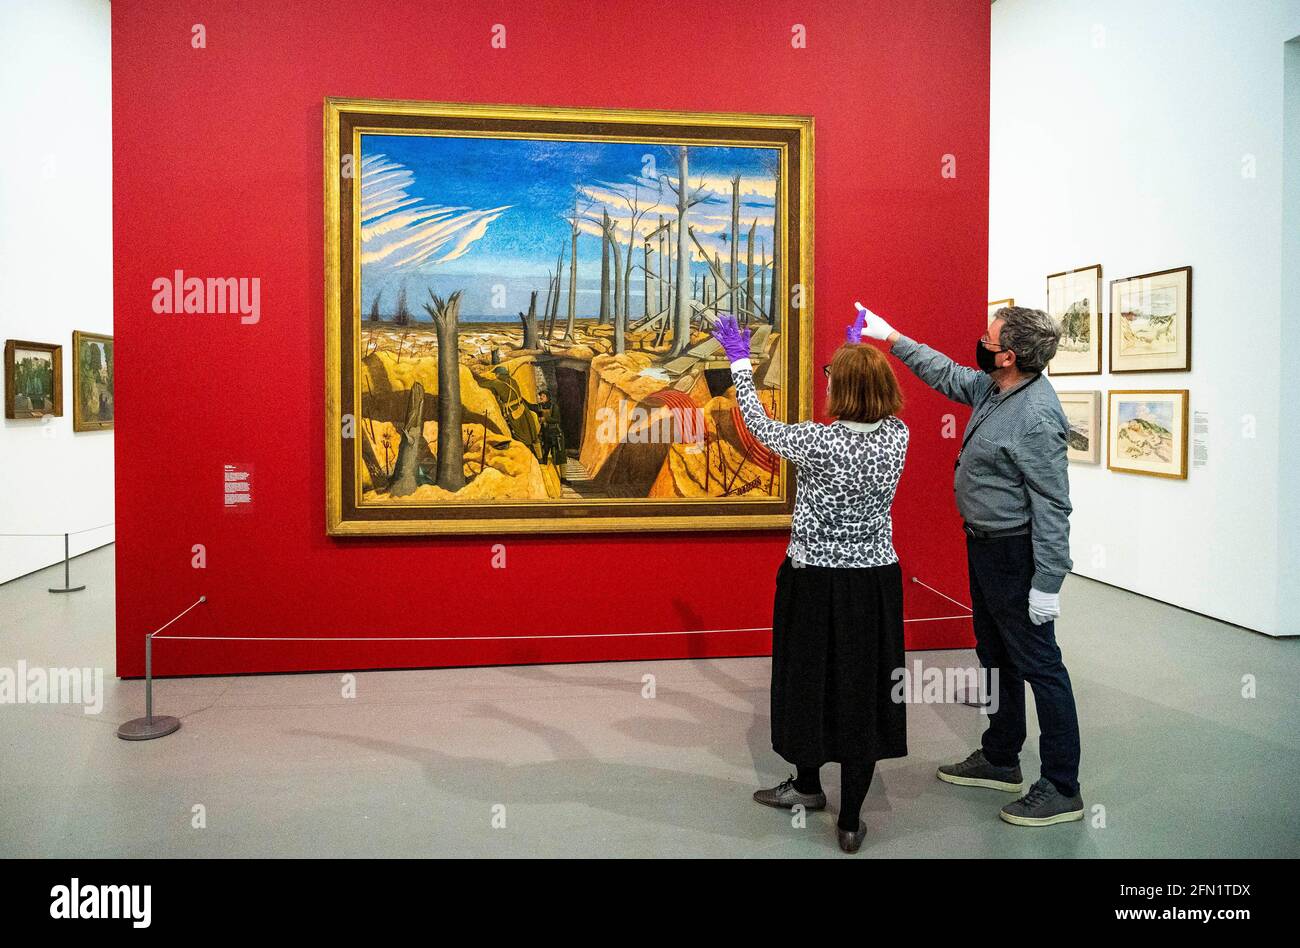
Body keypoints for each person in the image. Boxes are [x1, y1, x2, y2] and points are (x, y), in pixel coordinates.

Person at [855, 301, 1084, 827]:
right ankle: (1001, 757)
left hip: (1015, 554)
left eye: (989, 337)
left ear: (1007, 355)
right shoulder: (996, 387)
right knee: (994, 652)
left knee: (1040, 665)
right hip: (984, 546)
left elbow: (1053, 505)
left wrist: (1047, 582)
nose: (979, 341)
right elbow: (947, 374)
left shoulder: (1037, 416)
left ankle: (1062, 786)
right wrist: (893, 336)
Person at [710, 313, 910, 854]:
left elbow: (757, 423)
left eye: (830, 376)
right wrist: (853, 353)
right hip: (873, 586)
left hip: (814, 582)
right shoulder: (899, 435)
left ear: (839, 390)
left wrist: (738, 359)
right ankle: (850, 821)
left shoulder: (816, 443)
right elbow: (866, 400)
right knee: (862, 690)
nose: (823, 381)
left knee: (806, 681)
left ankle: (806, 787)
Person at [523, 390, 567, 481]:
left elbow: (556, 420)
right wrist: (520, 398)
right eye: (540, 396)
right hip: (545, 435)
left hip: (556, 434)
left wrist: (545, 418)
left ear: (547, 397)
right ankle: (544, 477)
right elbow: (530, 406)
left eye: (542, 396)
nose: (540, 397)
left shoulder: (554, 407)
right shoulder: (540, 406)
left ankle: (563, 478)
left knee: (561, 456)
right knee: (544, 455)